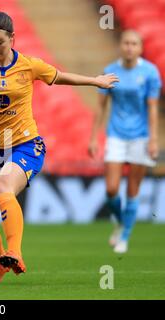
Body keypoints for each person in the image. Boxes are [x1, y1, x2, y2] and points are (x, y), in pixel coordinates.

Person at [0, 11, 119, 283]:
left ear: (12, 39)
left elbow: (60, 76)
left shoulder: (30, 65)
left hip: (26, 144)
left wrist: (95, 81)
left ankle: (14, 251)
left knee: (3, 188)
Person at [88, 30, 162, 254]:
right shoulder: (110, 72)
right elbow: (101, 106)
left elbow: (152, 107)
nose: (129, 47)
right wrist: (93, 138)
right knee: (111, 189)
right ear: (121, 45)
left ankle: (125, 236)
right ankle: (120, 222)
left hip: (140, 137)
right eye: (126, 42)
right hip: (116, 136)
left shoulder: (150, 72)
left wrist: (153, 139)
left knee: (132, 189)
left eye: (134, 43)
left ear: (140, 48)